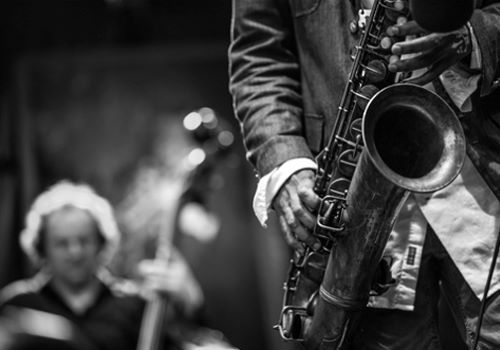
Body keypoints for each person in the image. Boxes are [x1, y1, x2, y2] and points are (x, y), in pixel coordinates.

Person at [229, 0, 500, 349]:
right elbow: (258, 58)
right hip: (354, 194)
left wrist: (472, 39)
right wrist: (285, 162)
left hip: (483, 183)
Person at [0, 181, 215, 350]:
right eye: (61, 243)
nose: (75, 252)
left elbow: (194, 343)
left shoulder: (136, 305)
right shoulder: (16, 304)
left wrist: (192, 301)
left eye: (84, 240)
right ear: (41, 249)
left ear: (102, 243)